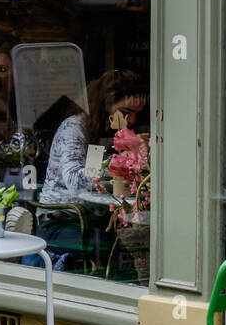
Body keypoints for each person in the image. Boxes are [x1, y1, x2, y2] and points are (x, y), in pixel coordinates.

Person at [34, 69, 146, 268]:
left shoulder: (100, 133)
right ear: (106, 105)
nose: (133, 121)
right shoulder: (74, 128)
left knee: (139, 241)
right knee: (120, 247)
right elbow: (75, 181)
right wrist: (120, 164)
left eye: (137, 115)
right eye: (127, 113)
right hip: (59, 222)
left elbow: (94, 179)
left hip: (93, 220)